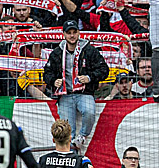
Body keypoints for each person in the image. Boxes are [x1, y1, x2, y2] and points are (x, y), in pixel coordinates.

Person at [42, 20, 109, 153]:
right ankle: (71, 160)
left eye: (74, 32)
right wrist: (53, 81)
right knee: (67, 131)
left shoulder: (89, 50)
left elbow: (104, 70)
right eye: (69, 33)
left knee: (89, 112)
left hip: (85, 93)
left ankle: (83, 136)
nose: (72, 36)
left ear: (79, 33)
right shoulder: (57, 52)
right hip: (65, 95)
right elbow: (46, 74)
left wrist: (89, 78)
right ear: (64, 35)